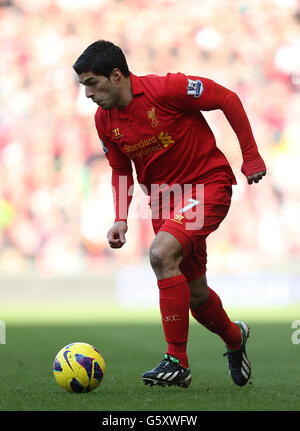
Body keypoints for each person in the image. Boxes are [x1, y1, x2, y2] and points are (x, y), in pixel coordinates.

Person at [73, 40, 266, 388]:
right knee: (197, 296)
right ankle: (235, 337)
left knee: (161, 253)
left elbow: (226, 99)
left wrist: (250, 156)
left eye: (91, 83)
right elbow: (120, 170)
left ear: (116, 75)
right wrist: (120, 217)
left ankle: (176, 361)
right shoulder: (104, 120)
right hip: (164, 201)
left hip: (207, 185)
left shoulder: (169, 89)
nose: (87, 94)